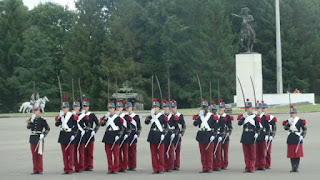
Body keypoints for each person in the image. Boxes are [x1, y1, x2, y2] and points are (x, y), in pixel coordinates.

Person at [55, 95, 79, 174]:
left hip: (69, 134)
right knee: (64, 154)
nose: (64, 109)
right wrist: (59, 118)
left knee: (70, 154)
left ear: (68, 108)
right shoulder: (61, 116)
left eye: (65, 108)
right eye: (63, 108)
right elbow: (57, 124)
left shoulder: (72, 116)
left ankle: (70, 168)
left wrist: (73, 135)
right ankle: (66, 168)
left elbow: (76, 127)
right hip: (63, 134)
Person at [145, 98, 169, 174]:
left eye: (156, 107)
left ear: (159, 108)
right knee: (153, 154)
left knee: (160, 154)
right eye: (153, 107)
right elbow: (146, 122)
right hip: (152, 135)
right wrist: (150, 116)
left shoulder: (162, 116)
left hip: (159, 135)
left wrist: (163, 135)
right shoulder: (151, 116)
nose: (154, 108)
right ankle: (155, 168)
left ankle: (161, 168)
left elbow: (166, 128)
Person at [237, 98, 261, 173]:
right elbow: (239, 123)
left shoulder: (255, 117)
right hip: (245, 135)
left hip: (252, 135)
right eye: (246, 108)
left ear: (251, 108)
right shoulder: (243, 116)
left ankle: (251, 167)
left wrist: (257, 133)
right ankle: (247, 167)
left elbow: (258, 127)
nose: (247, 109)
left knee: (252, 153)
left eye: (249, 108)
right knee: (246, 153)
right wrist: (243, 117)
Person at [193, 100, 217, 173]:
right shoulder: (199, 116)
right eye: (203, 107)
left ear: (208, 108)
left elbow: (215, 127)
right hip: (201, 135)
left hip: (209, 134)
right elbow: (195, 124)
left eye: (205, 107)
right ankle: (204, 167)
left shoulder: (212, 116)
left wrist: (214, 135)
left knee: (209, 153)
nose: (204, 109)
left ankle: (209, 167)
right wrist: (198, 117)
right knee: (202, 153)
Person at [101, 101, 124, 174]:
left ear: (114, 109)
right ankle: (110, 168)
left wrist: (119, 135)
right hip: (107, 136)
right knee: (108, 154)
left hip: (115, 136)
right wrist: (105, 118)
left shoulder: (117, 118)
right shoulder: (106, 117)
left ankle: (115, 168)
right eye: (109, 108)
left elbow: (122, 128)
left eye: (111, 108)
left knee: (116, 154)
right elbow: (102, 124)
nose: (110, 109)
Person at [282, 105, 307, 172]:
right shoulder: (288, 120)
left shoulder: (299, 120)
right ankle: (293, 166)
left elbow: (304, 129)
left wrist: (302, 135)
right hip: (290, 136)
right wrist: (288, 123)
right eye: (291, 113)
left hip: (297, 136)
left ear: (296, 114)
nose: (292, 114)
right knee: (291, 153)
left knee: (297, 153)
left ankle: (296, 166)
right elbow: (285, 128)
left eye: (294, 113)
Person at [26, 106, 50, 174]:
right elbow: (28, 127)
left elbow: (47, 128)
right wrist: (31, 121)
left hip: (39, 138)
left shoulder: (42, 120)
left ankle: (39, 169)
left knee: (39, 154)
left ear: (39, 111)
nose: (35, 112)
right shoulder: (31, 119)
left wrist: (44, 134)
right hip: (33, 138)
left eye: (36, 111)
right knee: (34, 155)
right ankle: (35, 169)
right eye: (34, 111)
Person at [81, 97, 100, 171]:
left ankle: (90, 165)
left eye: (86, 106)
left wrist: (94, 131)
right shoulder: (80, 115)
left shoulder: (92, 115)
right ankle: (84, 165)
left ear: (88, 107)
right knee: (83, 151)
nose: (85, 108)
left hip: (90, 134)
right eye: (84, 106)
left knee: (90, 151)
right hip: (82, 134)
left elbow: (98, 124)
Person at [170, 99, 186, 171]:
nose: (172, 109)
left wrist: (181, 133)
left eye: (174, 107)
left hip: (177, 134)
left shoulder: (180, 115)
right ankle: (171, 164)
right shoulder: (168, 115)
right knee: (170, 150)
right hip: (170, 134)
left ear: (176, 107)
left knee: (177, 151)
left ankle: (177, 165)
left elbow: (183, 125)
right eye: (171, 107)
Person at [217, 99, 233, 170]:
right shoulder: (216, 116)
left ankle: (225, 164)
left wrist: (229, 133)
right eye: (220, 108)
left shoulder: (227, 117)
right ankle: (220, 163)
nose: (221, 109)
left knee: (225, 151)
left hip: (225, 135)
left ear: (224, 109)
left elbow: (230, 127)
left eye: (222, 108)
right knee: (219, 150)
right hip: (219, 135)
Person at [126, 102, 141, 171]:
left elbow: (139, 127)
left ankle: (133, 165)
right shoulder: (125, 116)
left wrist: (137, 134)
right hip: (127, 135)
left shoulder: (136, 116)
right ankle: (129, 165)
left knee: (133, 151)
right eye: (127, 108)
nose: (128, 109)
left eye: (129, 108)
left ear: (131, 108)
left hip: (133, 134)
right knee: (128, 151)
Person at [255, 100, 270, 170]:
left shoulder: (264, 117)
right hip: (256, 134)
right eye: (257, 108)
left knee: (262, 151)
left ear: (261, 109)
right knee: (256, 151)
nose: (258, 110)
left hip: (262, 134)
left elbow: (267, 127)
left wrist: (267, 134)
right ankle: (257, 165)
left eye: (259, 108)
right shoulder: (254, 117)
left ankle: (262, 165)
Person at [262, 102, 277, 169]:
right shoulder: (259, 117)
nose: (263, 110)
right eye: (262, 108)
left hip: (268, 136)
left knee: (268, 151)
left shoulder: (271, 118)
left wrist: (272, 135)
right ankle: (261, 163)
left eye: (264, 108)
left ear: (267, 109)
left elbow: (274, 127)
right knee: (261, 151)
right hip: (261, 135)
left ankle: (267, 164)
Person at [72, 100, 85, 173]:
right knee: (73, 152)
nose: (76, 108)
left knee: (81, 152)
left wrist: (84, 130)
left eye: (77, 106)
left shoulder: (83, 116)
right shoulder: (71, 115)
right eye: (74, 106)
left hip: (81, 135)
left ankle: (81, 167)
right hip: (74, 135)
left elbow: (87, 125)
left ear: (79, 107)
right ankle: (75, 166)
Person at [117, 100, 130, 172]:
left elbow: (129, 127)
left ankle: (124, 167)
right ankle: (119, 166)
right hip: (118, 136)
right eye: (118, 107)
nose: (119, 109)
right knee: (118, 153)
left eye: (120, 107)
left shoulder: (126, 116)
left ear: (122, 108)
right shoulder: (115, 117)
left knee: (125, 153)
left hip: (125, 136)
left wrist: (127, 134)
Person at [162, 99, 175, 172]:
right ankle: (165, 165)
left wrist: (174, 133)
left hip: (170, 134)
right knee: (163, 152)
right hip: (164, 135)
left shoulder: (172, 116)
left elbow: (176, 126)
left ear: (169, 108)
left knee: (170, 152)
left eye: (166, 107)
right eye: (164, 107)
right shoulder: (161, 116)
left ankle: (170, 166)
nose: (165, 108)